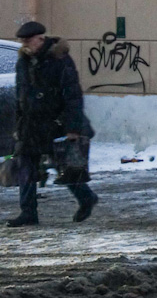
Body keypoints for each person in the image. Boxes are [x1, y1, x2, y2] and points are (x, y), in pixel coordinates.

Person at [7, 21, 98, 227]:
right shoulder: (23, 61)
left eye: (28, 41)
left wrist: (72, 127)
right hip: (30, 124)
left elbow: (73, 95)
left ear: (40, 39)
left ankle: (86, 197)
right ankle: (28, 212)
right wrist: (18, 125)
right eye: (22, 42)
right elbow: (19, 95)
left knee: (63, 166)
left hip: (55, 122)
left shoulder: (60, 60)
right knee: (26, 166)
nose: (25, 45)